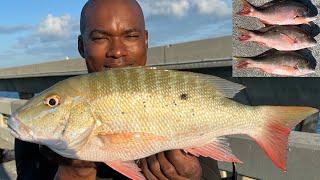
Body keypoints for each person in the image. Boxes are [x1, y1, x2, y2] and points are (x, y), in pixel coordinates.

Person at [15, 0, 221, 179]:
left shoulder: (183, 102)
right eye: (99, 38)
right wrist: (74, 173)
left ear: (145, 41)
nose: (117, 51)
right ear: (81, 45)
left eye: (130, 36)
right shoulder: (40, 134)